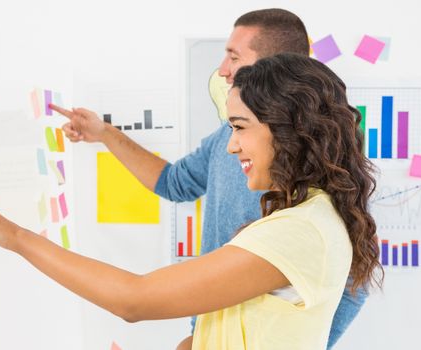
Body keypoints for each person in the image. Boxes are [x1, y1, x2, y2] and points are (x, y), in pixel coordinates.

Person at [0, 53, 382, 350]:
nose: (232, 147)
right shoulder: (309, 216)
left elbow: (134, 299)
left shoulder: (300, 229)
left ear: (289, 128)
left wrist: (14, 236)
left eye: (240, 127)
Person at [50, 8, 368, 348]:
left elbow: (350, 285)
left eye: (234, 56)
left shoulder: (316, 202)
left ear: (279, 71)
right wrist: (105, 134)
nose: (223, 69)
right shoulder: (227, 140)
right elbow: (173, 182)